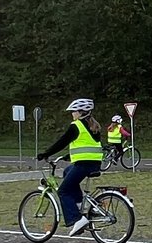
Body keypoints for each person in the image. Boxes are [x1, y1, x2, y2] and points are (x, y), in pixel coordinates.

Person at [35, 98, 106, 235]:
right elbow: (87, 144)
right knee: (67, 172)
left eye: (73, 111)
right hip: (94, 163)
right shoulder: (94, 126)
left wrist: (45, 153)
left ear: (80, 112)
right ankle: (82, 206)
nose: (72, 114)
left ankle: (76, 220)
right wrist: (69, 156)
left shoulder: (76, 125)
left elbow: (62, 142)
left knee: (63, 191)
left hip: (83, 165)